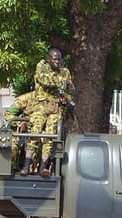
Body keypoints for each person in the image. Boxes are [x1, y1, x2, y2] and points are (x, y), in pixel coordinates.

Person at [30, 48, 75, 176]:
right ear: (49, 59)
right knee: (35, 132)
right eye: (54, 59)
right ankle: (26, 165)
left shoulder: (65, 72)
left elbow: (71, 90)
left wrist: (67, 98)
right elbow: (44, 80)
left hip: (56, 109)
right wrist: (60, 83)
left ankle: (43, 168)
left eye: (59, 59)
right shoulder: (42, 66)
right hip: (41, 106)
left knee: (50, 137)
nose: (57, 62)